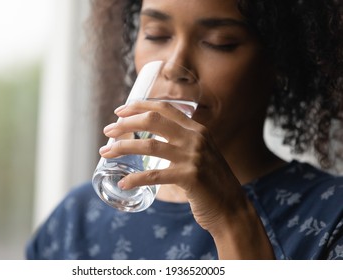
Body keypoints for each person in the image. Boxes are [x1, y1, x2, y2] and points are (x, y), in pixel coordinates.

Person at [26, 0, 343, 260]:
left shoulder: (332, 218)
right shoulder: (76, 219)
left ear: (279, 61)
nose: (174, 65)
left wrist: (231, 219)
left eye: (221, 43)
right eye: (156, 35)